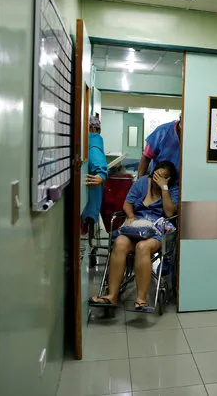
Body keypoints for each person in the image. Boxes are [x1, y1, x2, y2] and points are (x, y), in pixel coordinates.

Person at [89, 160, 179, 311]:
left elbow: (170, 212)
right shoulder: (143, 182)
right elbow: (127, 203)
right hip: (136, 227)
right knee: (120, 243)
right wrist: (131, 217)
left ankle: (141, 300)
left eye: (163, 177)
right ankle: (111, 296)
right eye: (156, 175)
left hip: (156, 231)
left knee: (142, 247)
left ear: (169, 179)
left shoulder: (172, 189)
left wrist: (164, 188)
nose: (157, 179)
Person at [81, 115, 108, 234]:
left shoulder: (93, 141)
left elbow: (97, 159)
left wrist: (101, 174)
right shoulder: (95, 141)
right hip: (91, 200)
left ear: (91, 128)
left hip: (87, 201)